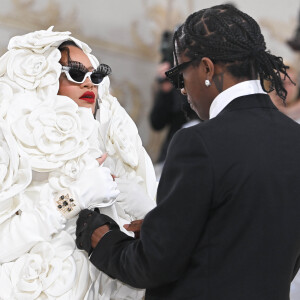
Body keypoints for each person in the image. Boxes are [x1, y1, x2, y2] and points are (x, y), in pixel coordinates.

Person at [76, 4, 300, 300]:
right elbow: (259, 243)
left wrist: (101, 238)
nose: (182, 90)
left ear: (207, 68)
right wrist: (165, 229)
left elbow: (153, 265)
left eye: (180, 74)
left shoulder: (200, 142)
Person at [0, 27, 157, 299]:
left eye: (95, 76)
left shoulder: (106, 148)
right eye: (75, 73)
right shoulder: (12, 148)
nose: (89, 84)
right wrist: (75, 197)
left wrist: (149, 217)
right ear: (43, 79)